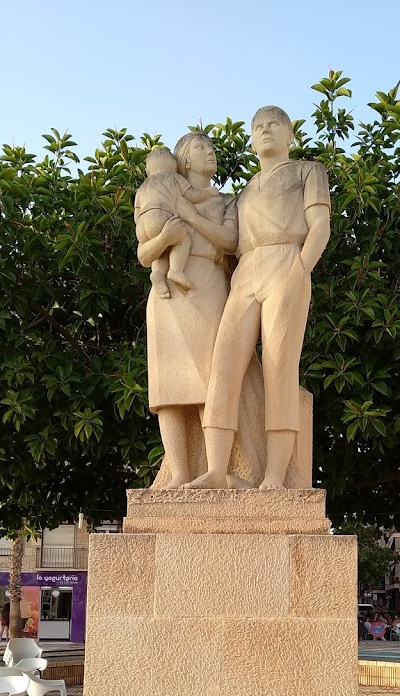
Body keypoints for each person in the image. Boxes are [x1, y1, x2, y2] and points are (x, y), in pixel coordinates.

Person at [188, 105, 331, 490]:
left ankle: (274, 476)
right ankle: (217, 468)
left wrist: (301, 268)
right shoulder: (244, 192)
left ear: (290, 135)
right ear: (251, 140)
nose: (266, 130)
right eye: (258, 127)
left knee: (280, 368)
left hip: (286, 259)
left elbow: (320, 226)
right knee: (223, 364)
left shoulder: (308, 171)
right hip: (247, 270)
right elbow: (229, 242)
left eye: (274, 125)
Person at [137, 132, 238, 488]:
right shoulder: (160, 197)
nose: (209, 153)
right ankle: (180, 471)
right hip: (166, 295)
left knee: (211, 381)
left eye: (211, 148)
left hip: (207, 285)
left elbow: (229, 242)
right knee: (168, 391)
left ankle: (216, 469)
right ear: (185, 158)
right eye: (201, 148)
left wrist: (188, 216)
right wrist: (164, 238)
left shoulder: (225, 201)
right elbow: (145, 253)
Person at [134, 147, 217, 299]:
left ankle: (158, 274)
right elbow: (192, 194)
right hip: (162, 215)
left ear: (147, 171)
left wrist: (143, 224)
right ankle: (176, 270)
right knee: (181, 238)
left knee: (162, 250)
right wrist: (209, 192)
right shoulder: (173, 178)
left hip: (143, 223)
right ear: (174, 167)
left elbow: (137, 212)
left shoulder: (142, 187)